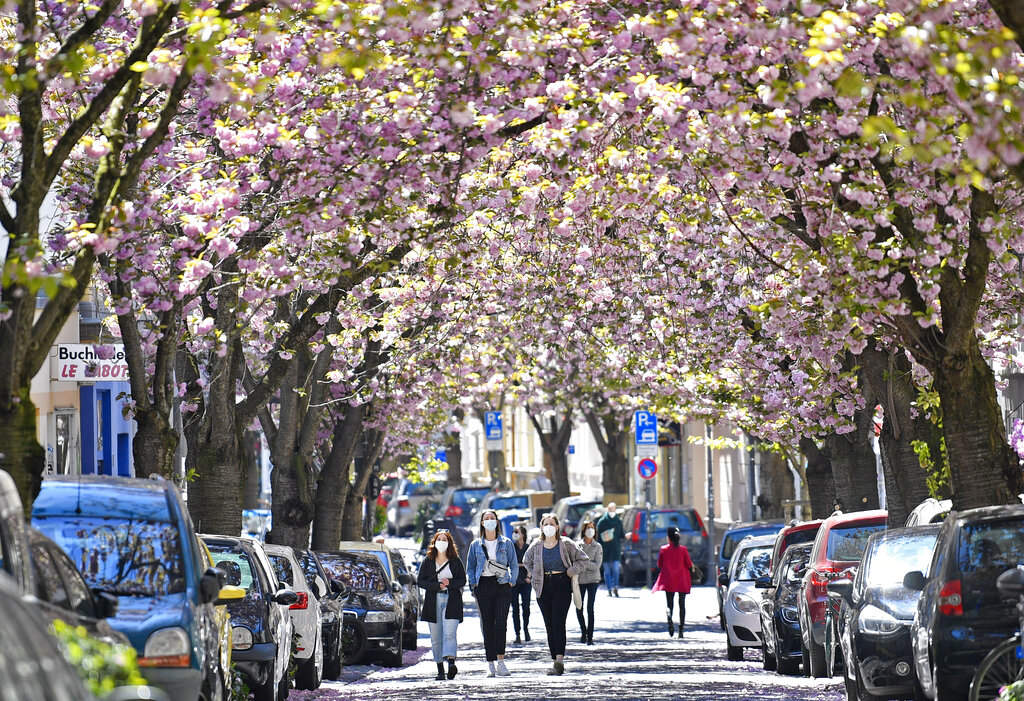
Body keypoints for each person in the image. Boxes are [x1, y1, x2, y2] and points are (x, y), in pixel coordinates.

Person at [523, 513, 590, 675]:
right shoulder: (536, 545)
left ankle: (560, 660)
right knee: (549, 625)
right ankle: (554, 661)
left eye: (552, 523)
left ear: (557, 526)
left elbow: (583, 559)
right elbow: (526, 561)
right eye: (545, 524)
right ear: (541, 527)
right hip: (543, 586)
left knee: (559, 623)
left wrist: (571, 571)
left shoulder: (566, 543)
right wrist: (536, 574)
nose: (549, 526)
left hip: (562, 583)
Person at [466, 509, 518, 676]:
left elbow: (514, 564)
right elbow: (471, 567)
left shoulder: (506, 542)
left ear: (496, 522)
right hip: (484, 585)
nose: (489, 521)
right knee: (487, 625)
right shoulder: (475, 545)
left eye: (492, 518)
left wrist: (512, 581)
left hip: (502, 585)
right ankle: (490, 662)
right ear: (482, 523)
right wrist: (473, 584)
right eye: (486, 518)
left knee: (501, 623)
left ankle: (501, 661)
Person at [417, 530, 466, 680]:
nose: (442, 542)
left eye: (445, 540)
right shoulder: (428, 560)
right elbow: (421, 581)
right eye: (440, 539)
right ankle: (440, 668)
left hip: (452, 600)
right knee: (436, 637)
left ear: (449, 543)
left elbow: (462, 580)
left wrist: (450, 583)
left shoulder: (455, 560)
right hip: (433, 601)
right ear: (434, 542)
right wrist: (437, 585)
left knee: (450, 632)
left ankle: (451, 663)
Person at [651, 525, 695, 639]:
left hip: (669, 580)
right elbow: (689, 564)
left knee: (669, 603)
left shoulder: (664, 549)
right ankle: (681, 629)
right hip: (682, 579)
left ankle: (669, 616)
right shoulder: (683, 550)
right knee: (682, 604)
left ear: (668, 537)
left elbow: (659, 564)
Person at [574, 519, 603, 645]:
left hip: (593, 579)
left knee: (590, 607)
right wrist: (585, 563)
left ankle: (590, 636)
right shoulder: (577, 546)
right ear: (584, 530)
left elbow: (597, 565)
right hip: (580, 580)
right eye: (588, 528)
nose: (590, 530)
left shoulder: (598, 546)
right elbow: (574, 562)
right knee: (578, 607)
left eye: (592, 527)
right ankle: (583, 632)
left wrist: (584, 563)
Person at [596, 502, 625, 596]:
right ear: (608, 510)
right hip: (605, 550)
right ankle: (609, 588)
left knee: (616, 569)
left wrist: (626, 536)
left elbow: (621, 535)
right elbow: (597, 537)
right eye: (611, 509)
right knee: (607, 571)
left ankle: (615, 587)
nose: (612, 511)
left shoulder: (618, 521)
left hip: (616, 550)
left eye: (614, 509)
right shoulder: (602, 522)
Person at [510, 524, 532, 644]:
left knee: (526, 607)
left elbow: (531, 563)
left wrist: (528, 575)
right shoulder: (511, 547)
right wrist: (522, 564)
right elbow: (509, 563)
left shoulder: (528, 548)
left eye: (517, 531)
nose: (515, 534)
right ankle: (517, 633)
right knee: (515, 609)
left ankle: (526, 629)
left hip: (525, 580)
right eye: (514, 531)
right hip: (514, 581)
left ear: (522, 534)